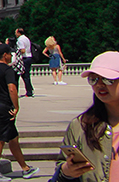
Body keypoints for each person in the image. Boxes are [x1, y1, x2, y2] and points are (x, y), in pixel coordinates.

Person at [46, 51, 119, 182]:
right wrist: (67, 171)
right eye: (94, 79)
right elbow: (61, 172)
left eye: (108, 79)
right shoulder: (80, 125)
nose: (100, 84)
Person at [0, 43, 38, 182]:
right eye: (10, 54)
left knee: (13, 138)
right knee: (0, 138)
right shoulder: (8, 70)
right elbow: (12, 89)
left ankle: (25, 168)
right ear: (6, 55)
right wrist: (16, 106)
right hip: (4, 106)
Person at [15, 28, 34, 98]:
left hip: (24, 58)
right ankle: (29, 90)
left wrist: (17, 52)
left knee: (23, 75)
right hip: (29, 57)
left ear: (18, 33)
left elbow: (22, 50)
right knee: (26, 75)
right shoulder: (26, 38)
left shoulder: (20, 40)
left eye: (16, 32)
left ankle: (29, 91)